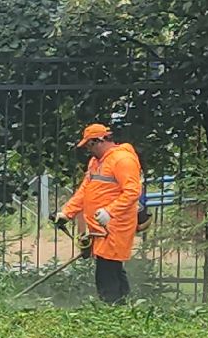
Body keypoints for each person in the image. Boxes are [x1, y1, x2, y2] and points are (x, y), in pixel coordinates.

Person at [53, 122, 142, 304]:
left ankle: (112, 308)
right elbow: (85, 189)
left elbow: (133, 191)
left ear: (99, 141)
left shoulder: (123, 160)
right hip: (101, 226)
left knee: (107, 269)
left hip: (116, 225)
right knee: (111, 267)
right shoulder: (96, 162)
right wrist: (67, 213)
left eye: (89, 145)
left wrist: (110, 212)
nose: (87, 149)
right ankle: (121, 307)